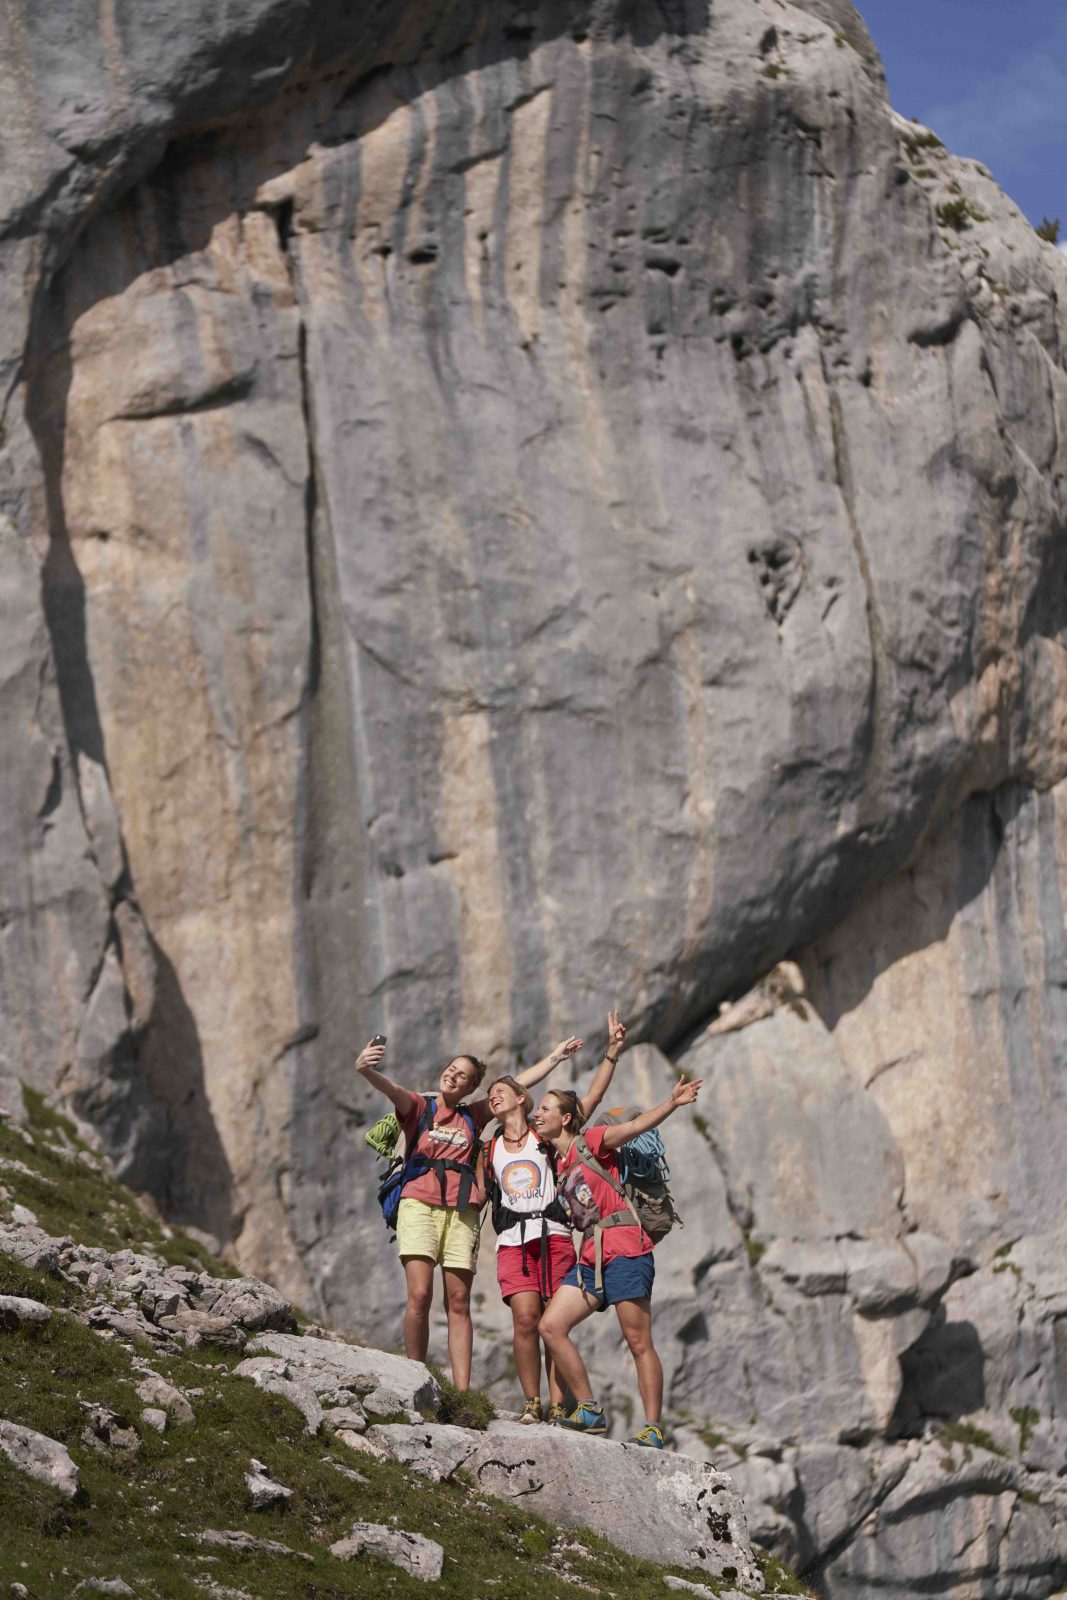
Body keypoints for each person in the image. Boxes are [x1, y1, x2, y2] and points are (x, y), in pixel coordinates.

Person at [354, 1034, 582, 1390]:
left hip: (461, 1212)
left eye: (463, 1076)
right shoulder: (419, 1107)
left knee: (458, 1301)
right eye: (451, 1069)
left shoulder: (473, 1116)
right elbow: (392, 1089)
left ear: (472, 1087)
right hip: (418, 1204)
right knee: (419, 1294)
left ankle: (461, 1390)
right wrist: (366, 1069)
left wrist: (554, 1057)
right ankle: (415, 1377)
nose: (453, 1076)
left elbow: (518, 1085)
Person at [535, 1072, 704, 1447]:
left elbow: (636, 1125)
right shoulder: (558, 1163)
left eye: (544, 1108)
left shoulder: (591, 1142)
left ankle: (653, 1428)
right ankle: (590, 1409)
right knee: (550, 1327)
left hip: (627, 1249)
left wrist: (672, 1102)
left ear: (565, 1118)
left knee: (638, 1341)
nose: (537, 1113)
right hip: (591, 1257)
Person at [484, 1011, 627, 1425]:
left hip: (556, 1235)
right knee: (525, 1319)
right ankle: (532, 1401)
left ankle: (559, 1406)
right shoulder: (489, 1144)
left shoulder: (542, 1133)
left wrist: (611, 1054)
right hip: (513, 1239)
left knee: (552, 1320)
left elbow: (592, 1100)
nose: (494, 1096)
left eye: (502, 1091)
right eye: (490, 1093)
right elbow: (478, 1193)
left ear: (521, 1098)